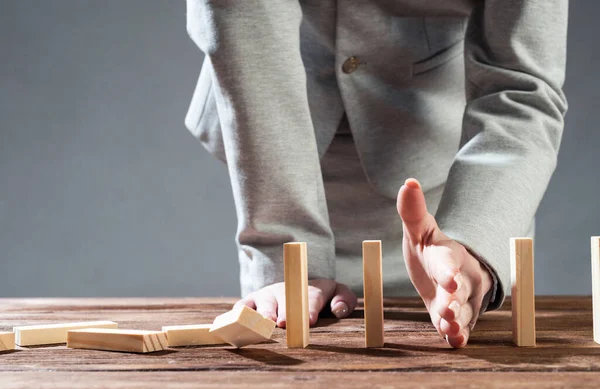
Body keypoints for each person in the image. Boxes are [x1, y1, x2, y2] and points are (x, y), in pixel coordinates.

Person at [184, 0, 568, 347]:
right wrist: (285, 245)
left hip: (452, 168)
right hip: (272, 149)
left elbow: (521, 89)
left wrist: (473, 248)